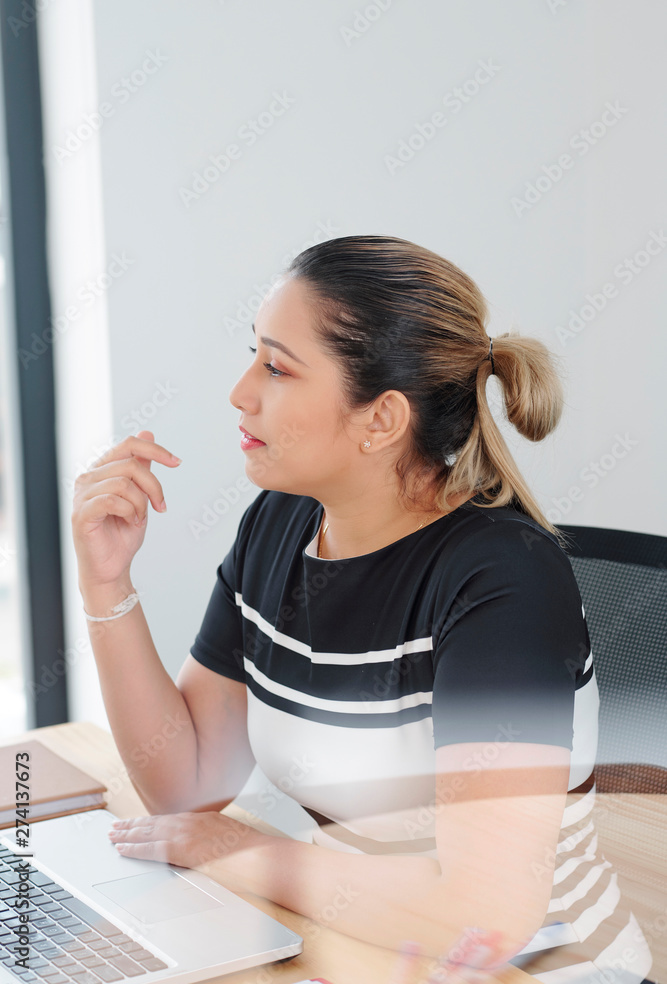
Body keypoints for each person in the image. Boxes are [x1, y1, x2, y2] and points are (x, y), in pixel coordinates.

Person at [71, 235, 653, 982]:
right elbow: (185, 784)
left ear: (379, 420)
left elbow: (486, 915)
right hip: (359, 949)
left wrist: (238, 850)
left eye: (277, 367)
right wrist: (106, 583)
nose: (241, 392)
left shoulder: (500, 581)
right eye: (253, 354)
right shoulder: (279, 523)